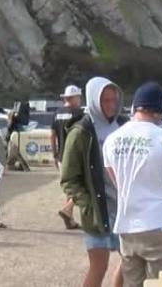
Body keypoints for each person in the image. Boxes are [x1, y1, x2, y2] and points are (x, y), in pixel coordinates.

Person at [105, 82, 162, 287]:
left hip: (127, 224)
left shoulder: (112, 140)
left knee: (133, 283)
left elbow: (116, 180)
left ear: (135, 108)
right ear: (159, 111)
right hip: (158, 222)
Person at [59, 77, 127, 287]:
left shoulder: (125, 126)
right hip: (98, 212)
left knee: (130, 262)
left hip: (126, 208)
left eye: (114, 100)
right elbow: (69, 178)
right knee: (99, 267)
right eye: (105, 100)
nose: (111, 105)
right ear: (94, 101)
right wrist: (86, 204)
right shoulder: (81, 132)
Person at [52, 84, 86, 230]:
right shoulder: (79, 113)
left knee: (69, 187)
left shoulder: (57, 113)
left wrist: (54, 154)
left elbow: (52, 135)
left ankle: (69, 217)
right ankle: (68, 209)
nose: (80, 100)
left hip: (61, 156)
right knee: (82, 185)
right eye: (79, 97)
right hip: (74, 156)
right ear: (74, 98)